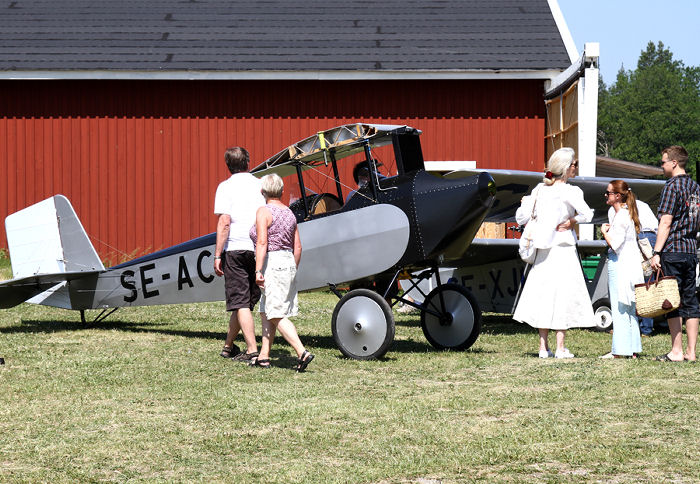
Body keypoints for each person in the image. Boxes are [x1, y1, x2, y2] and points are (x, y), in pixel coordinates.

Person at [513, 147, 595, 358]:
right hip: (563, 248)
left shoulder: (540, 189)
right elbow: (588, 213)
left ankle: (543, 348)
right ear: (566, 168)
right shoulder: (571, 191)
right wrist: (572, 221)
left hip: (542, 250)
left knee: (543, 295)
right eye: (574, 164)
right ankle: (560, 348)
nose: (576, 167)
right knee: (562, 296)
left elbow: (521, 217)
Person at [249, 173, 314, 371]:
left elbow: (262, 242)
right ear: (282, 191)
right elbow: (298, 247)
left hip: (272, 260)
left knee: (275, 313)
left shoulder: (264, 211)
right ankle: (264, 356)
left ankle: (302, 352)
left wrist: (258, 269)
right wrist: (291, 268)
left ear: (262, 192)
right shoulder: (289, 213)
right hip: (287, 260)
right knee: (265, 310)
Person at [213, 147, 265, 362]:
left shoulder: (225, 187)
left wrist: (217, 255)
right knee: (244, 302)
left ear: (228, 165)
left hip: (235, 248)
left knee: (240, 302)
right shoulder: (260, 184)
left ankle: (252, 350)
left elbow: (225, 222)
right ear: (248, 162)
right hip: (256, 247)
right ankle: (228, 347)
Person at [650, 145, 700, 362]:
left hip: (672, 249)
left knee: (671, 301)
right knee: (691, 300)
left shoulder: (672, 186)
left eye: (663, 162)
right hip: (691, 250)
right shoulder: (696, 187)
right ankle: (692, 352)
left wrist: (656, 252)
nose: (661, 166)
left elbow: (666, 221)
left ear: (674, 162)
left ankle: (676, 351)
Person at [600, 180, 644, 358]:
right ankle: (632, 349)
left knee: (619, 308)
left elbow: (615, 244)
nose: (606, 195)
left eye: (608, 192)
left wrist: (604, 232)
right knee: (630, 309)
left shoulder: (620, 216)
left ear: (617, 196)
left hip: (620, 265)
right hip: (631, 265)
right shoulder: (628, 214)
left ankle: (620, 351)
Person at [609, 198, 658, 336]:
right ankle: (646, 326)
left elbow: (617, 233)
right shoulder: (643, 204)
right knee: (648, 282)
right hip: (652, 236)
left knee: (638, 283)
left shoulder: (620, 210)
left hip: (640, 237)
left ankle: (641, 326)